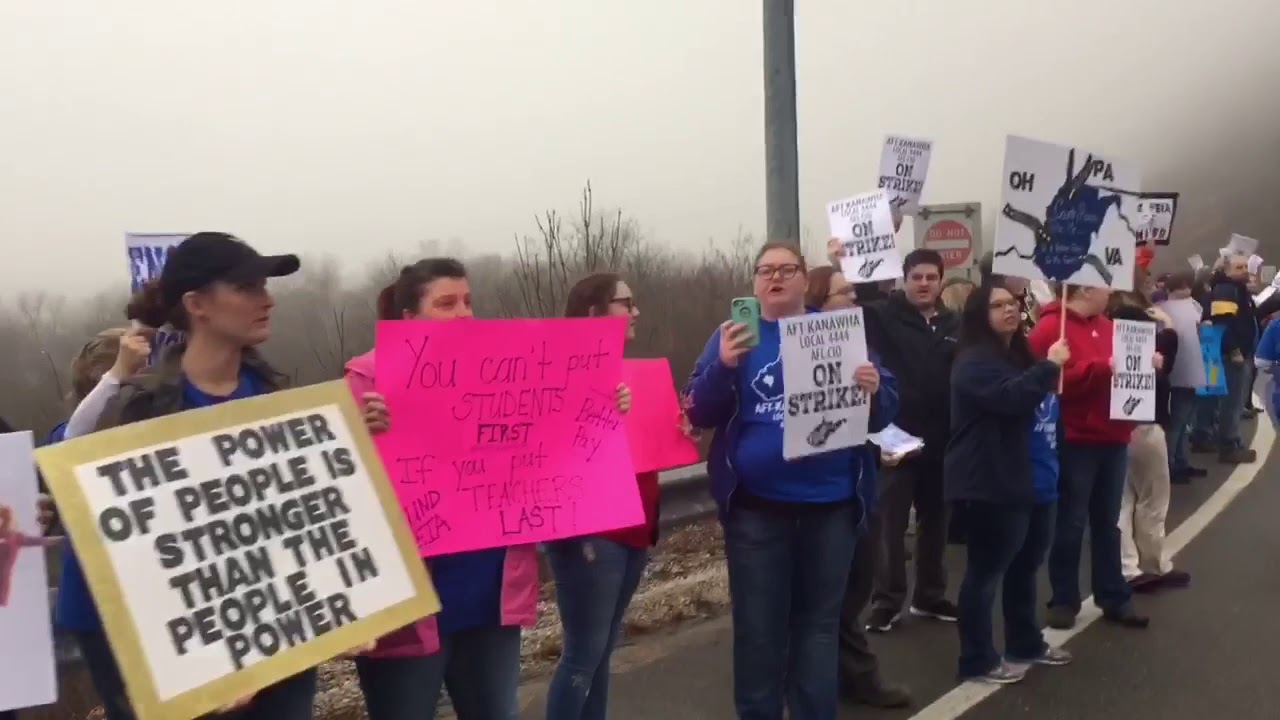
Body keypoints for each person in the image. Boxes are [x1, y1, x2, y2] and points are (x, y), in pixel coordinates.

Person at [347, 258, 618, 720]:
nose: (463, 313)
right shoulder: (367, 381)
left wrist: (602, 401)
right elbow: (342, 492)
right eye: (446, 303)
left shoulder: (503, 367)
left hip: (491, 590)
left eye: (468, 302)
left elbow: (548, 443)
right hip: (412, 607)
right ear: (410, 319)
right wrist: (359, 434)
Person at [81, 231, 319, 719]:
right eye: (248, 288)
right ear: (197, 304)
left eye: (265, 287)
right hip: (177, 646)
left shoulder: (278, 396)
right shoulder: (138, 408)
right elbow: (126, 550)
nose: (268, 301)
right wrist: (205, 664)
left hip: (278, 629)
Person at [684, 242, 898, 720]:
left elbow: (884, 413)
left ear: (806, 280)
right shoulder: (735, 334)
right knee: (759, 633)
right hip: (759, 512)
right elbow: (697, 410)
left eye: (786, 269)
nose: (775, 277)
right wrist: (723, 366)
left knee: (818, 630)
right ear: (755, 281)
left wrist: (875, 389)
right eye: (765, 270)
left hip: (832, 508)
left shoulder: (840, 331)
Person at [544, 272, 660, 720]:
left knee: (602, 651)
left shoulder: (628, 370)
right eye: (624, 303)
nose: (635, 312)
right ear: (594, 314)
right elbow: (547, 449)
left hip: (634, 523)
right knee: (583, 653)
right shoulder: (559, 369)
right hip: (591, 530)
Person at [947, 284, 1071, 684]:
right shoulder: (973, 362)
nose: (1009, 310)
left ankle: (1025, 641)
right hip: (991, 481)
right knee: (986, 573)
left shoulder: (1018, 355)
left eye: (1012, 304)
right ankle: (977, 658)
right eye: (997, 305)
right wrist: (1049, 367)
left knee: (1025, 567)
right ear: (979, 314)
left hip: (1033, 478)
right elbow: (1011, 398)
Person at [805, 266, 911, 710]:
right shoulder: (801, 344)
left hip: (859, 480)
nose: (854, 299)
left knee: (858, 583)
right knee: (829, 593)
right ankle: (851, 675)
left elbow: (885, 402)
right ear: (819, 300)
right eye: (845, 292)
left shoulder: (857, 344)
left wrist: (875, 391)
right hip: (815, 489)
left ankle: (840, 670)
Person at [1028, 285, 1148, 630]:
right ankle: (1064, 598)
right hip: (1075, 436)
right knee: (1071, 520)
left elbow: (1125, 370)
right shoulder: (1050, 330)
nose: (1110, 291)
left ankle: (1113, 594)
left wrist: (1145, 365)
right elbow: (1049, 384)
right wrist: (1100, 368)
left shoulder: (1110, 327)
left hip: (1113, 434)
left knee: (1108, 521)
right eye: (1103, 285)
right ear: (1084, 288)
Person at [861, 249, 960, 633]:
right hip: (894, 438)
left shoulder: (955, 323)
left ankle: (930, 595)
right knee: (890, 525)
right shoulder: (885, 317)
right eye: (916, 277)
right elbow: (856, 303)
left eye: (930, 278)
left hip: (942, 439)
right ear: (904, 280)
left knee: (936, 523)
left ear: (940, 281)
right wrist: (846, 261)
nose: (923, 284)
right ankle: (886, 602)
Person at [1108, 294, 1191, 592]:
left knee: (1122, 501)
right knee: (1153, 499)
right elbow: (1170, 344)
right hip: (1145, 428)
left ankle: (1127, 566)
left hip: (1116, 429)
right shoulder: (1145, 358)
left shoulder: (1108, 354)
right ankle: (1154, 564)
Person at [1202, 254, 1259, 463]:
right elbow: (1221, 322)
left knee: (1232, 401)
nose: (1244, 270)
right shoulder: (1226, 290)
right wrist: (1234, 349)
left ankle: (1228, 441)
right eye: (1238, 267)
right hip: (1232, 355)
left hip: (1238, 353)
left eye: (1245, 266)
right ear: (1227, 271)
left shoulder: (1236, 289)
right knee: (1232, 402)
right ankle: (1229, 445)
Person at [1157, 271, 1208, 482]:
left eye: (1188, 286)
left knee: (1185, 419)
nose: (1185, 290)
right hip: (1177, 369)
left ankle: (1181, 459)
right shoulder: (1162, 310)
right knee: (1177, 420)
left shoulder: (1194, 306)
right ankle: (1171, 464)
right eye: (1181, 286)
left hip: (1193, 366)